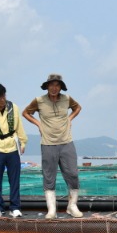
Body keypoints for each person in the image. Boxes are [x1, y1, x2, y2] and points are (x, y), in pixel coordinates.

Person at [22, 74, 83, 219]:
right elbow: (25, 113)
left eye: (57, 85)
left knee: (73, 174)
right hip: (48, 143)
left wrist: (69, 119)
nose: (54, 88)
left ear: (61, 87)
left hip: (66, 141)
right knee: (49, 176)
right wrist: (38, 124)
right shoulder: (39, 101)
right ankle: (52, 209)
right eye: (51, 85)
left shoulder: (67, 99)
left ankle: (72, 206)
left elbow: (78, 107)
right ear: (47, 86)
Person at [0, 83, 28, 217]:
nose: (2, 100)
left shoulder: (14, 108)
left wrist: (23, 141)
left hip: (12, 146)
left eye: (3, 96)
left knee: (14, 178)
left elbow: (19, 126)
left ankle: (15, 206)